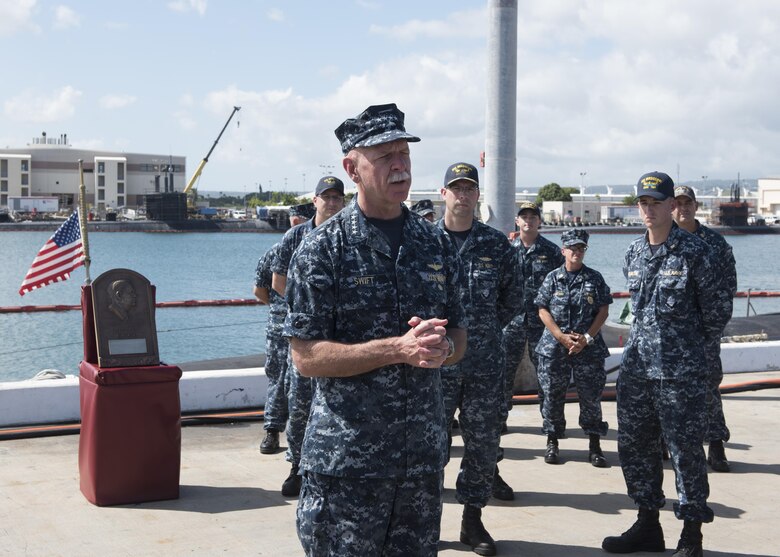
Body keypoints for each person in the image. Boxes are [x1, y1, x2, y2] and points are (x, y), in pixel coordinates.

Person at [284, 103, 467, 557]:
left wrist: (440, 349)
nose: (400, 165)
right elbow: (304, 358)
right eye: (385, 156)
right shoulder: (323, 249)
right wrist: (397, 349)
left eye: (404, 153)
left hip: (420, 464)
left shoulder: (437, 244)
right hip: (347, 465)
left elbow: (461, 338)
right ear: (352, 169)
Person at [603, 172, 732, 557]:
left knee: (685, 451)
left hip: (681, 374)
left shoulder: (696, 253)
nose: (648, 210)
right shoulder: (633, 253)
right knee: (636, 447)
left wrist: (689, 354)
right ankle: (647, 524)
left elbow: (717, 313)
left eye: (656, 202)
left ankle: (691, 534)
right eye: (643, 203)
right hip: (639, 371)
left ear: (672, 206)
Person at [437, 162, 523, 556]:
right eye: (456, 188)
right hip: (435, 364)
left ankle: (472, 520)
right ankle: (423, 521)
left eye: (470, 188)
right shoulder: (422, 241)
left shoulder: (495, 244)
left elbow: (513, 297)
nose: (463, 195)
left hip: (485, 363)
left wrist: (483, 330)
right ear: (443, 194)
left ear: (477, 195)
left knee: (482, 442)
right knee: (429, 443)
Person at [271, 175, 346, 496]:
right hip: (306, 334)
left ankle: (335, 468)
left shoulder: (349, 237)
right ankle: (296, 467)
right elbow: (277, 281)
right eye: (325, 197)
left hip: (340, 337)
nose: (331, 203)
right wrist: (310, 308)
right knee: (300, 402)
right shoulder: (296, 236)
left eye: (337, 198)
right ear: (314, 201)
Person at [498, 202, 563, 495]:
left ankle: (551, 430)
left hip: (541, 322)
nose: (528, 221)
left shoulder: (550, 252)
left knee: (547, 375)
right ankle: (499, 420)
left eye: (533, 217)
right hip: (511, 321)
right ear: (517, 220)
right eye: (523, 216)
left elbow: (558, 288)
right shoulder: (506, 250)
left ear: (539, 222)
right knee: (503, 373)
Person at [672, 185, 737, 472]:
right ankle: (666, 441)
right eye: (677, 203)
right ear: (669, 207)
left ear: (696, 207)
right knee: (666, 390)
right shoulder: (661, 240)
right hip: (669, 334)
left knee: (708, 386)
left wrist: (711, 328)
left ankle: (716, 444)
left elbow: (727, 288)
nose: (683, 208)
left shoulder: (715, 243)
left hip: (703, 333)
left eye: (688, 203)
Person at [534, 228, 612, 466]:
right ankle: (552, 442)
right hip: (555, 347)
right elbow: (542, 308)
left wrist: (587, 338)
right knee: (552, 396)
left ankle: (595, 445)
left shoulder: (594, 278)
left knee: (590, 397)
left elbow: (603, 310)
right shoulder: (552, 278)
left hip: (587, 348)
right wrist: (560, 337)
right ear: (563, 251)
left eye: (581, 249)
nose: (576, 253)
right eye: (572, 249)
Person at [253, 242, 287, 455]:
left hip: (317, 325)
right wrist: (280, 309)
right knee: (277, 377)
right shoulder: (277, 250)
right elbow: (259, 290)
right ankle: (272, 430)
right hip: (281, 325)